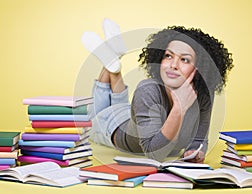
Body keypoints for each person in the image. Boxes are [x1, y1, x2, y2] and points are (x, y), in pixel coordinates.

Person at [82, 19, 234, 163]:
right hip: (109, 127)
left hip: (133, 115)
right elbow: (155, 154)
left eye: (184, 59)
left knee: (119, 104)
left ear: (200, 68)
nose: (173, 65)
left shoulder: (203, 93)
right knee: (91, 121)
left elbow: (199, 140)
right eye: (168, 56)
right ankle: (112, 63)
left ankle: (114, 59)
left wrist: (194, 152)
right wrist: (179, 108)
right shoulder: (147, 90)